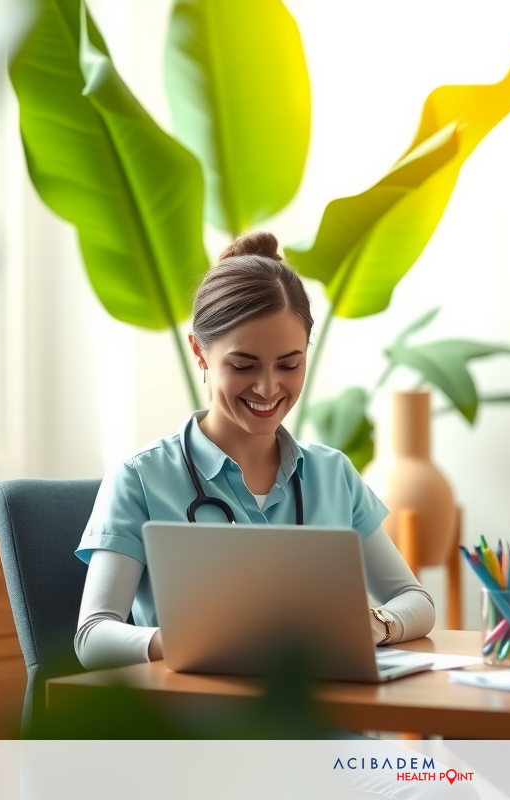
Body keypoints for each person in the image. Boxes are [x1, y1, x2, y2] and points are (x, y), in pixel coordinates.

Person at [73, 231, 435, 669]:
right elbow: (93, 636)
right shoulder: (141, 479)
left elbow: (416, 601)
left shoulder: (331, 474)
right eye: (243, 366)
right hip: (205, 728)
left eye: (290, 364)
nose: (268, 388)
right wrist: (198, 639)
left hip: (324, 727)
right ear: (200, 352)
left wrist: (377, 623)